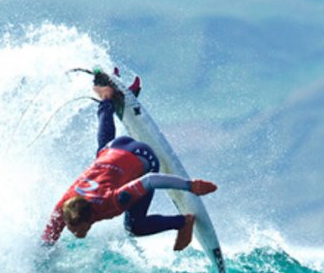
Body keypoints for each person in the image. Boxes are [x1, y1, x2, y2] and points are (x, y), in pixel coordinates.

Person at [42, 80, 217, 250]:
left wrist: (189, 185)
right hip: (113, 148)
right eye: (71, 228)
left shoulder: (112, 200)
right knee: (100, 155)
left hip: (144, 157)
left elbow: (150, 180)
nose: (72, 232)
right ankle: (106, 99)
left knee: (135, 226)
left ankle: (182, 222)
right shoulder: (64, 209)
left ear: (91, 219)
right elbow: (47, 240)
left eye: (77, 229)